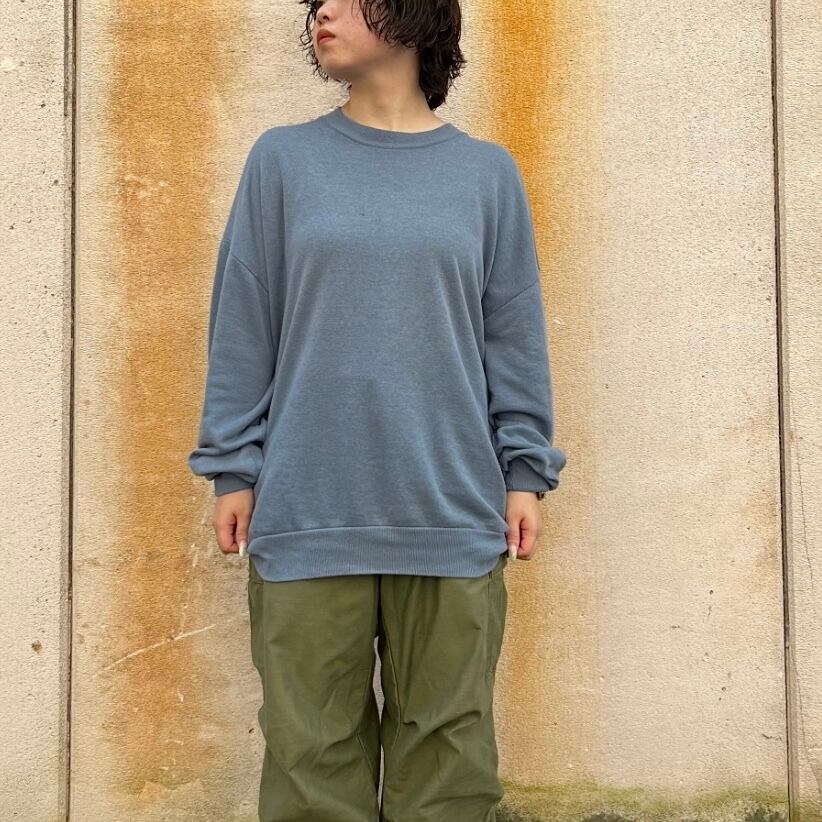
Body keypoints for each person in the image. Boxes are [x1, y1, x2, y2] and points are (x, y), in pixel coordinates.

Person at [188, 0, 567, 819]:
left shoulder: (486, 174)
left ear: (415, 16)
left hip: (453, 505)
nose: (322, 11)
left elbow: (513, 332)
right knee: (310, 759)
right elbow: (245, 321)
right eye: (316, 3)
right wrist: (232, 467)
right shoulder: (283, 161)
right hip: (308, 504)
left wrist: (525, 472)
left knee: (448, 762)